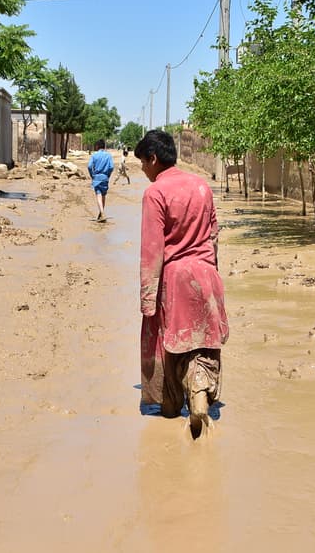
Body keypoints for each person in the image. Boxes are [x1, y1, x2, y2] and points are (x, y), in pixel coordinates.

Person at [134, 129, 229, 438]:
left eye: (143, 163)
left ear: (153, 158)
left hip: (174, 278)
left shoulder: (155, 193)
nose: (143, 170)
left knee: (169, 345)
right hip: (206, 275)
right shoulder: (202, 186)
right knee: (202, 344)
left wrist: (148, 298)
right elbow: (213, 237)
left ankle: (173, 405)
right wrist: (211, 276)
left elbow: (152, 250)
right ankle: (200, 394)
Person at [87, 139, 114, 222]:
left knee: (98, 195)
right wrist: (108, 175)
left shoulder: (94, 155)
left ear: (97, 146)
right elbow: (111, 167)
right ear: (104, 146)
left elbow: (89, 166)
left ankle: (102, 213)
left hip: (97, 178)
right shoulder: (108, 155)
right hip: (105, 177)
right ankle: (101, 213)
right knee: (103, 195)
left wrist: (92, 175)